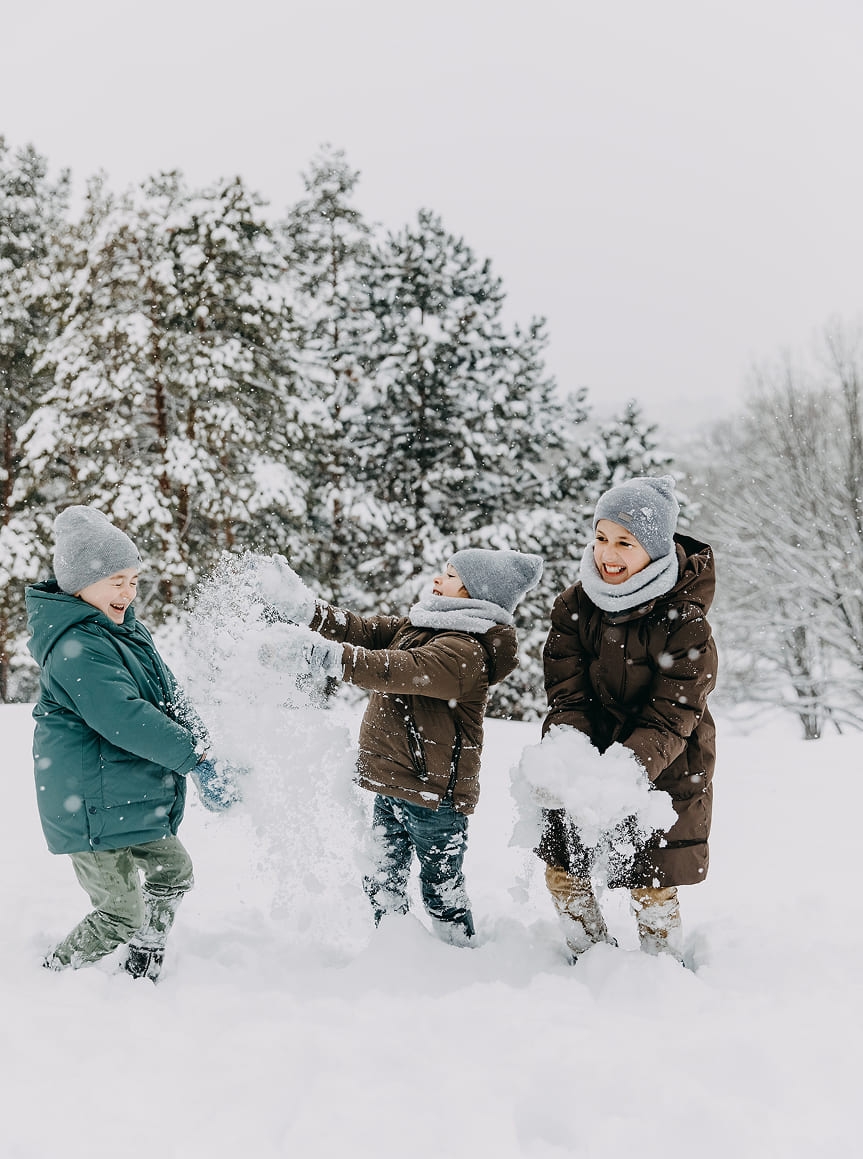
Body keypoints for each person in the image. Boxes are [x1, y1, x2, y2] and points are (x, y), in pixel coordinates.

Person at [257, 547, 543, 944]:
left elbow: (396, 669)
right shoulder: (422, 626)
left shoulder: (466, 652)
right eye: (443, 571)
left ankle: (457, 954)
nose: (438, 579)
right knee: (381, 880)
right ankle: (395, 951)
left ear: (478, 593)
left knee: (440, 890)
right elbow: (365, 632)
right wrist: (308, 611)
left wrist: (322, 656)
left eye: (451, 576)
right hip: (390, 783)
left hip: (434, 798)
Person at [26, 506, 223, 981]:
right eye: (116, 580)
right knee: (120, 913)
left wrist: (208, 746)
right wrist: (192, 758)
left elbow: (167, 691)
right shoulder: (75, 645)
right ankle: (51, 976)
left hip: (125, 794)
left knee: (173, 874)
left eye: (133, 579)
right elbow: (124, 718)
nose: (128, 592)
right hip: (90, 805)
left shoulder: (125, 630)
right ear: (79, 585)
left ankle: (144, 958)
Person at [537, 475, 717, 961]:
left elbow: (672, 714)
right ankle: (589, 956)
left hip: (665, 764)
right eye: (600, 538)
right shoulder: (575, 605)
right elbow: (567, 695)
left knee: (649, 880)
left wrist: (625, 769)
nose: (607, 555)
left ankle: (660, 969)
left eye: (625, 542)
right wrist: (570, 759)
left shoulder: (685, 622)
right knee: (563, 869)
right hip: (588, 757)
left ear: (655, 550)